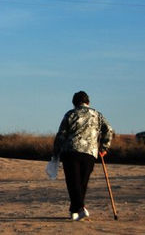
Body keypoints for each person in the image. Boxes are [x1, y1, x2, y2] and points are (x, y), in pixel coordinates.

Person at [53, 91, 113, 221]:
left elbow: (61, 134)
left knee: (73, 181)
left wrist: (56, 151)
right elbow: (108, 129)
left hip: (70, 151)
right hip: (90, 153)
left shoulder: (70, 113)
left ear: (74, 103)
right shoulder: (97, 114)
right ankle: (74, 210)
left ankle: (79, 208)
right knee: (82, 182)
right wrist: (104, 147)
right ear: (88, 102)